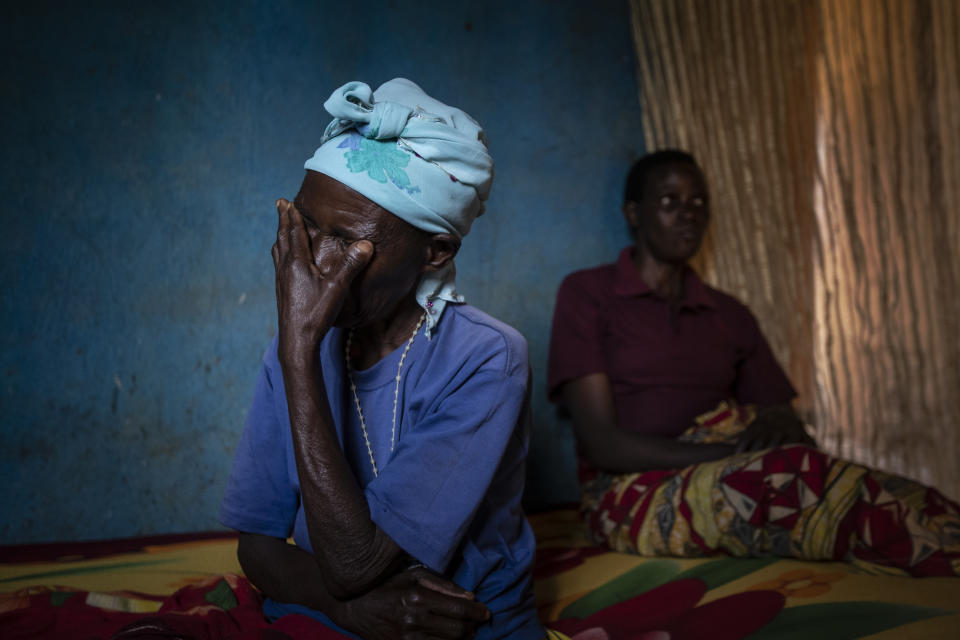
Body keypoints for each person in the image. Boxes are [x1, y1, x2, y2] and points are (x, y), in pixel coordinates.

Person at [220, 79, 544, 639]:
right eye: (307, 226)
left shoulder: (488, 358)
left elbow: (355, 565)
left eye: (349, 243)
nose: (317, 265)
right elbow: (257, 546)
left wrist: (298, 353)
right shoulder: (298, 348)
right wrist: (345, 608)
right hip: (320, 619)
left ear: (436, 251)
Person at [547, 149, 960, 576]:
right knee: (790, 478)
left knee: (883, 488)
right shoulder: (588, 294)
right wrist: (728, 454)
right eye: (670, 201)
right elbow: (602, 444)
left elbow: (782, 418)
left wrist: (776, 423)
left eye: (699, 202)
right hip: (628, 494)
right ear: (633, 214)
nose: (689, 214)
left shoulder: (728, 312)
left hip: (732, 466)